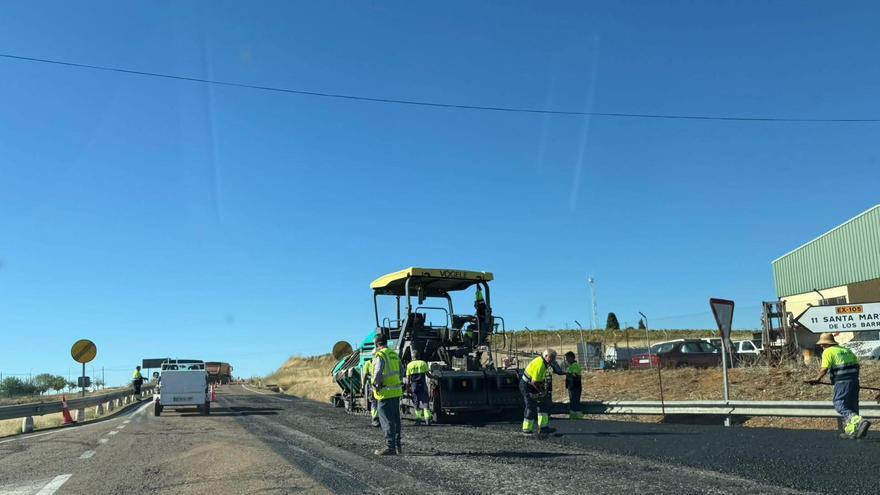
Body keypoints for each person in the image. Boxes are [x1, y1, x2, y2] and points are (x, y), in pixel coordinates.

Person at [808, 333, 870, 439]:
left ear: (827, 344)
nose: (821, 346)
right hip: (854, 381)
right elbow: (857, 365)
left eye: (822, 344)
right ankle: (852, 431)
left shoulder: (828, 351)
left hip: (842, 382)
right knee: (852, 406)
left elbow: (824, 369)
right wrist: (852, 377)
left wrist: (817, 379)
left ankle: (858, 420)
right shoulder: (846, 350)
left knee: (839, 404)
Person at [520, 349, 566, 435]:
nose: (553, 360)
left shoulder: (545, 362)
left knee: (543, 405)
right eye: (552, 358)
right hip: (528, 386)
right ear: (546, 356)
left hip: (534, 384)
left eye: (554, 358)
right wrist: (541, 391)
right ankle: (526, 429)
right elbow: (534, 382)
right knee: (530, 406)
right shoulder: (540, 365)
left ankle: (543, 427)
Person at [372, 334, 403, 455]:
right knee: (395, 419)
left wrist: (376, 385)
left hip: (385, 392)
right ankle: (397, 446)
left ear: (377, 344)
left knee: (386, 420)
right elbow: (401, 370)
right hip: (396, 391)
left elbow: (377, 372)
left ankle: (390, 447)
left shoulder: (380, 355)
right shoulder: (393, 354)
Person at [405, 350, 433, 425]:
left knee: (416, 403)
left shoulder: (409, 365)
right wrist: (435, 377)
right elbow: (428, 375)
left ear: (412, 357)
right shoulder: (423, 363)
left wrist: (407, 388)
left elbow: (408, 379)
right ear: (419, 356)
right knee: (425, 402)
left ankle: (418, 420)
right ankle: (427, 420)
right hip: (423, 385)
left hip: (414, 386)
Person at [362, 350, 380, 427]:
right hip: (379, 386)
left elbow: (365, 376)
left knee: (374, 402)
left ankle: (376, 419)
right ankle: (377, 418)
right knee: (377, 402)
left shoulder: (369, 363)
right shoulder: (382, 362)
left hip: (374, 386)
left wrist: (362, 386)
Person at [564, 351, 583, 419]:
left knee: (575, 401)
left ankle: (577, 416)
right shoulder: (572, 366)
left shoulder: (574, 365)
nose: (566, 360)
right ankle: (574, 416)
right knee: (573, 401)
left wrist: (570, 384)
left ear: (571, 358)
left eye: (567, 358)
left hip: (574, 386)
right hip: (574, 386)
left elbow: (574, 376)